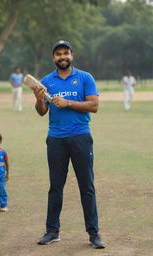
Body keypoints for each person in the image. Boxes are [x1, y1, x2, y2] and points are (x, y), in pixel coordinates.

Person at [33, 40, 105, 249]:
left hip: (81, 137)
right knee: (55, 187)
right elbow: (41, 111)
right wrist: (39, 99)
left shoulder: (84, 78)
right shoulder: (47, 81)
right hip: (56, 139)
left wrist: (67, 103)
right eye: (58, 54)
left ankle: (94, 234)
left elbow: (94, 106)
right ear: (53, 58)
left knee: (87, 187)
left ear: (72, 55)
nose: (62, 57)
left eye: (66, 53)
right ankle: (52, 231)